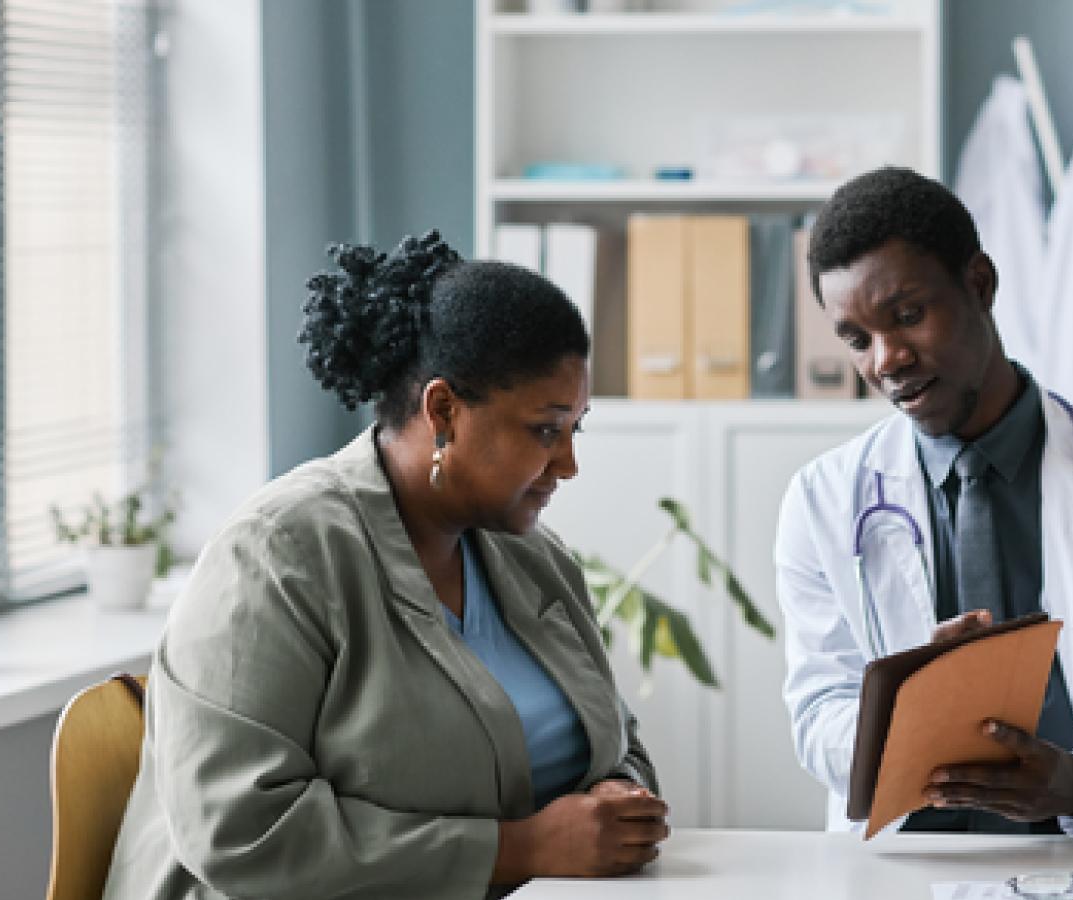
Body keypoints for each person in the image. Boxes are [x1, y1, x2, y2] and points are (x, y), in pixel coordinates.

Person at [103, 231, 669, 899]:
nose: (568, 465)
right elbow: (241, 830)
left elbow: (616, 736)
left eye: (577, 428)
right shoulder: (278, 555)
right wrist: (520, 848)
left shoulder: (533, 559)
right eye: (546, 430)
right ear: (444, 411)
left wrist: (618, 799)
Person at [775, 168, 1073, 836]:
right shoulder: (823, 500)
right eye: (857, 338)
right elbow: (818, 711)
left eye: (907, 316)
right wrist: (908, 709)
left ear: (979, 284)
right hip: (913, 863)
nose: (887, 359)